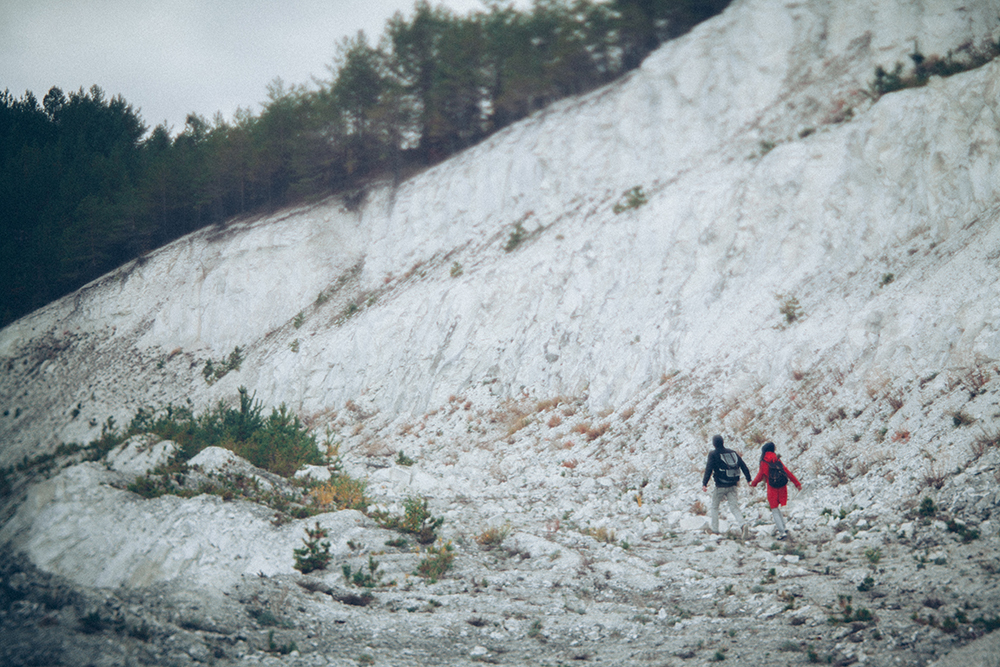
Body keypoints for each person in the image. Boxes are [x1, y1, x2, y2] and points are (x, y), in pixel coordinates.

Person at [701, 434, 752, 539]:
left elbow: (709, 469)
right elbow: (743, 465)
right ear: (723, 442)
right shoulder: (732, 452)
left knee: (715, 507)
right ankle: (743, 525)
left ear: (714, 443)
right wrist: (748, 479)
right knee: (734, 507)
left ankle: (715, 530)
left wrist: (705, 483)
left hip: (720, 486)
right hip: (733, 485)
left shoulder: (713, 454)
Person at [750, 442, 802, 540]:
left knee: (775, 510)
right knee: (779, 509)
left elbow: (760, 475)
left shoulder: (764, 461)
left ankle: (782, 533)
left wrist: (753, 483)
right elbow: (787, 472)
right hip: (782, 487)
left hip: (772, 488)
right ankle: (784, 528)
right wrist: (797, 483)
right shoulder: (777, 459)